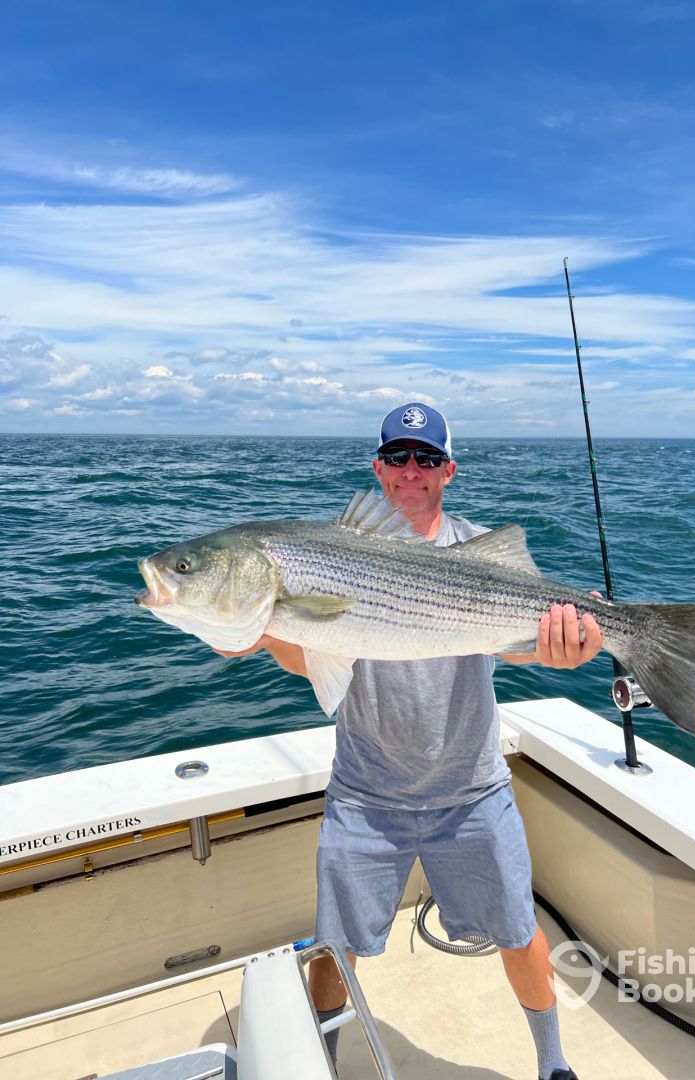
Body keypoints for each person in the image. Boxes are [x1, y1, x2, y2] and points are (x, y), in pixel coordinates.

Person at [221, 402, 603, 1080]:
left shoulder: (479, 547)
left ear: (448, 470)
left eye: (427, 458)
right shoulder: (333, 549)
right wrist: (260, 631)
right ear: (378, 467)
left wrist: (561, 650)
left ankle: (553, 1065)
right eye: (397, 456)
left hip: (472, 789)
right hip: (365, 793)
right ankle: (324, 1064)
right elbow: (315, 659)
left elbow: (515, 646)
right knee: (335, 949)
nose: (411, 469)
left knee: (518, 930)